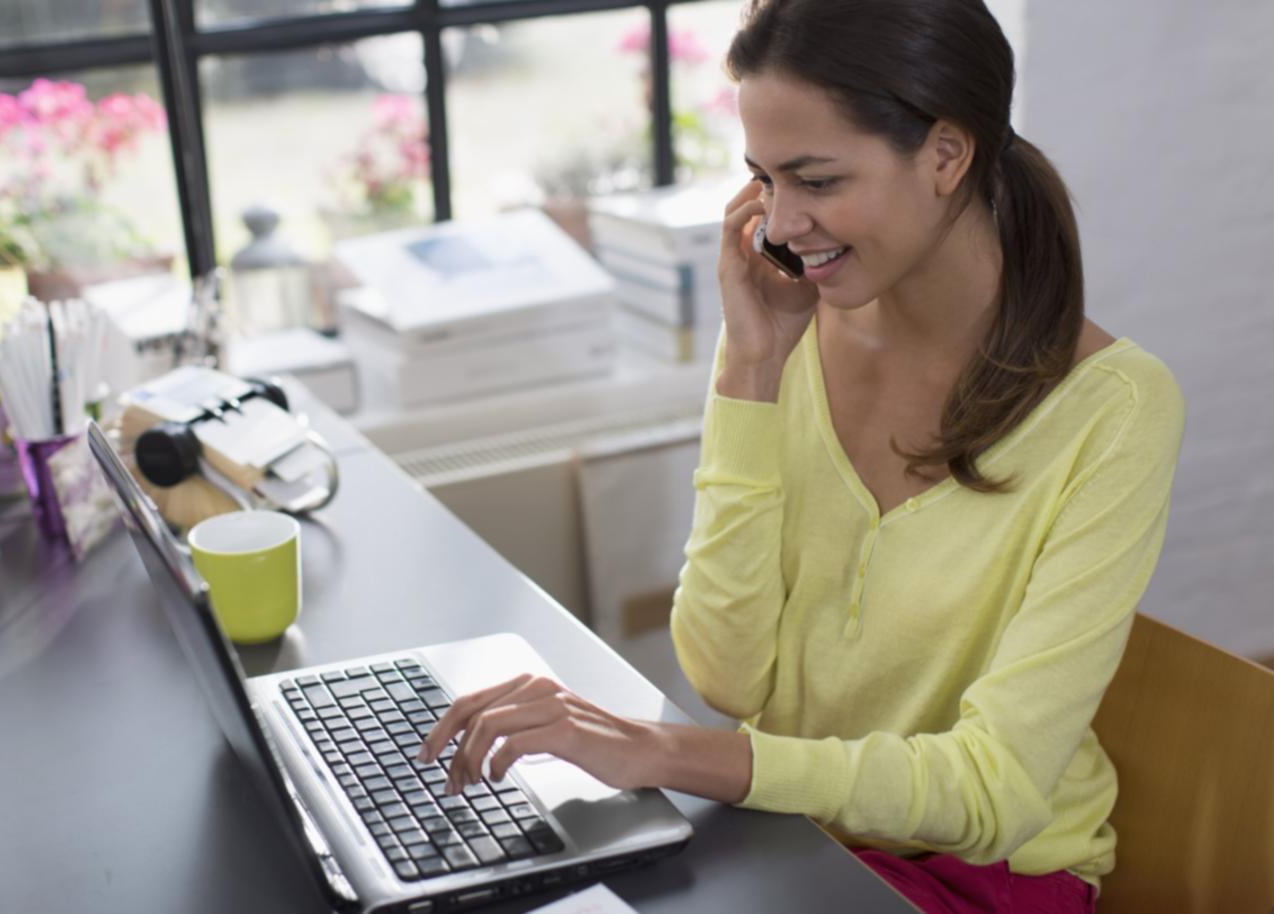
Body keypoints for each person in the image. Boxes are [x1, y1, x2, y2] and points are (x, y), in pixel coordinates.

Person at [418, 0, 1186, 910]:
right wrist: (751, 365)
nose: (780, 226)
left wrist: (664, 752)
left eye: (816, 181)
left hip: (977, 876)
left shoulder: (1115, 410)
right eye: (763, 180)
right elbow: (727, 676)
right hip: (789, 835)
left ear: (947, 154)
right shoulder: (782, 334)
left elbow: (997, 789)